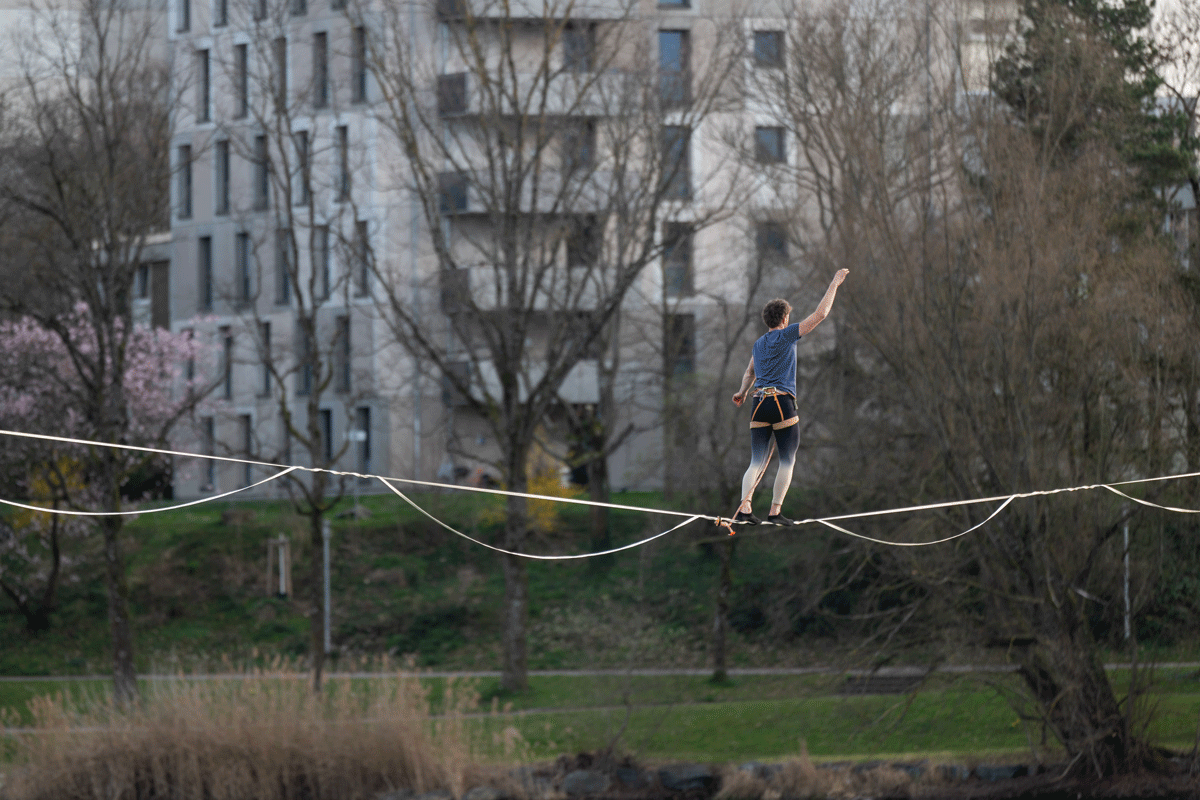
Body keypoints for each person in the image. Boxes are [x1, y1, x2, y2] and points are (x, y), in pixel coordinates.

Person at [731, 269, 849, 525]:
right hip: (781, 404)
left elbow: (750, 372)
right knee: (787, 459)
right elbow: (821, 314)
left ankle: (745, 510)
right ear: (784, 319)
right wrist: (834, 282)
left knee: (756, 461)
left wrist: (742, 392)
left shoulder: (758, 344)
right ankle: (774, 513)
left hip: (758, 403)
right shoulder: (786, 335)